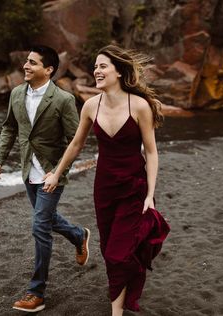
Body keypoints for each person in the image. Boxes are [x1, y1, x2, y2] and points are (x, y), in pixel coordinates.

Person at [43, 45, 170, 315]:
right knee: (108, 249)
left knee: (118, 253)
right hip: (104, 188)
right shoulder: (90, 105)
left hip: (134, 187)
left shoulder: (139, 106)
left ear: (119, 72)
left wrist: (150, 194)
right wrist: (57, 172)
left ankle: (117, 311)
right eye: (96, 66)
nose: (96, 71)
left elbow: (151, 151)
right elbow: (76, 144)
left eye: (103, 66)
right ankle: (119, 307)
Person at [0, 45, 90, 313]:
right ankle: (79, 235)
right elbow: (10, 128)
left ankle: (37, 292)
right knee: (45, 218)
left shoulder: (64, 100)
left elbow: (75, 142)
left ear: (48, 70)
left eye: (33, 62)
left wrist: (58, 173)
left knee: (40, 227)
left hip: (50, 173)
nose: (26, 65)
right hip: (27, 171)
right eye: (26, 61)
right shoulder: (16, 93)